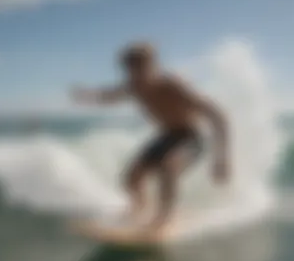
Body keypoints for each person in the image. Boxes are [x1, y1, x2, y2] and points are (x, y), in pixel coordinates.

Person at [72, 42, 230, 233]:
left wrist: (222, 158)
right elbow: (110, 96)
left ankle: (163, 219)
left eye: (141, 67)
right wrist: (88, 95)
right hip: (167, 136)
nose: (136, 74)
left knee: (168, 166)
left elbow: (216, 114)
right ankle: (139, 209)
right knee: (131, 180)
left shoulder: (173, 86)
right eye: (130, 69)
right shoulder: (134, 87)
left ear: (153, 65)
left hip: (190, 138)